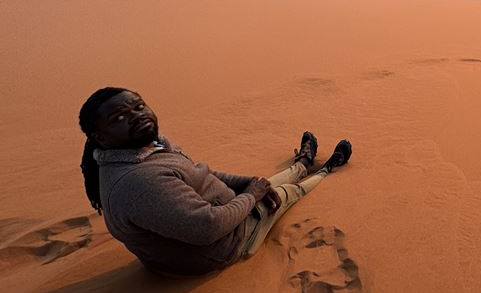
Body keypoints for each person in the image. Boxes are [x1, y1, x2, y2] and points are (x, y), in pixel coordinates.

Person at [77, 86, 352, 276]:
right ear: (100, 137)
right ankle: (325, 171)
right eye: (120, 117)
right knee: (288, 192)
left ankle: (302, 163)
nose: (137, 115)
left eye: (138, 106)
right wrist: (252, 195)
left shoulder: (147, 146)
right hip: (224, 245)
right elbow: (208, 228)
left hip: (227, 211)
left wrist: (248, 184)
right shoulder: (139, 184)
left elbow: (199, 172)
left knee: (264, 184)